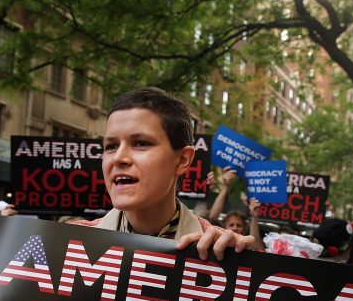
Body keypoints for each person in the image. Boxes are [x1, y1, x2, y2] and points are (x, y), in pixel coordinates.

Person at [71, 87, 254, 259]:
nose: (118, 158)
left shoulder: (221, 251)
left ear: (183, 160)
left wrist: (240, 264)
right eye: (111, 146)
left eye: (141, 143)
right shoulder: (65, 245)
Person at [206, 165, 264, 251]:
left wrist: (254, 216)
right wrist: (225, 187)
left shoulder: (246, 246)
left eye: (239, 225)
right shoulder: (215, 242)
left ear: (244, 229)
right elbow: (212, 219)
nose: (235, 228)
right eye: (231, 225)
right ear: (223, 227)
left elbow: (256, 248)